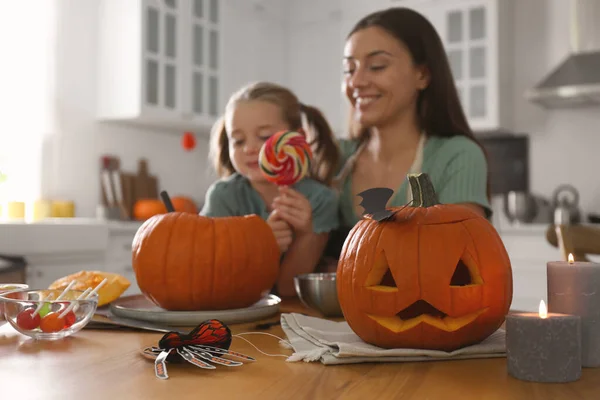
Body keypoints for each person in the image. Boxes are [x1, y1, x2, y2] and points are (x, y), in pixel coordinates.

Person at [325, 7, 492, 260]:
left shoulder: (457, 156)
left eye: (377, 66)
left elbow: (462, 261)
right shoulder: (334, 157)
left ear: (422, 75)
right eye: (349, 70)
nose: (356, 82)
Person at [200, 81, 340, 297]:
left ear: (298, 139)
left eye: (264, 137)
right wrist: (261, 247)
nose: (249, 148)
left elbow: (287, 291)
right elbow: (211, 279)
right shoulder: (223, 197)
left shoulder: (320, 201)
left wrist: (306, 235)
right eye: (237, 140)